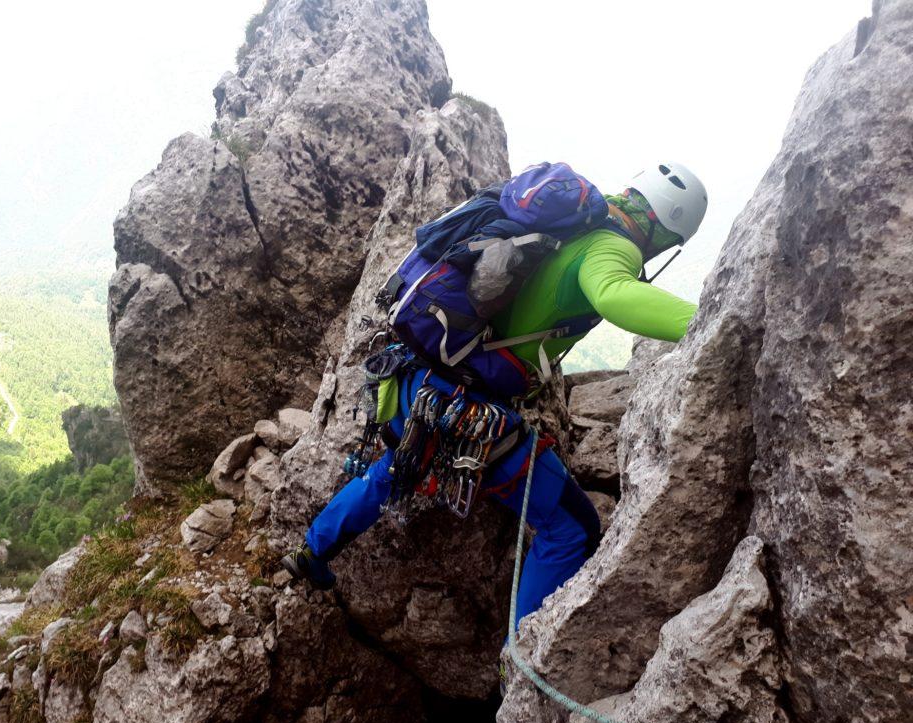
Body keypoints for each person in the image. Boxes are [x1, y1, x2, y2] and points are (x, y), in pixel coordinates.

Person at [282, 162, 708, 627]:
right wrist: (710, 317)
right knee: (572, 528)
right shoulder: (614, 245)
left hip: (412, 379)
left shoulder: (572, 222)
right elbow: (612, 294)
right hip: (463, 410)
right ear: (668, 232)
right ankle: (518, 666)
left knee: (396, 466)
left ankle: (312, 550)